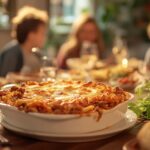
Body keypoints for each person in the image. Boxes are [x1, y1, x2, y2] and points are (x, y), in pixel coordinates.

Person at [0, 6, 48, 77]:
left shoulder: (36, 53)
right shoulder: (13, 52)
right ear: (31, 34)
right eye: (42, 33)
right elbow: (5, 78)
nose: (45, 37)